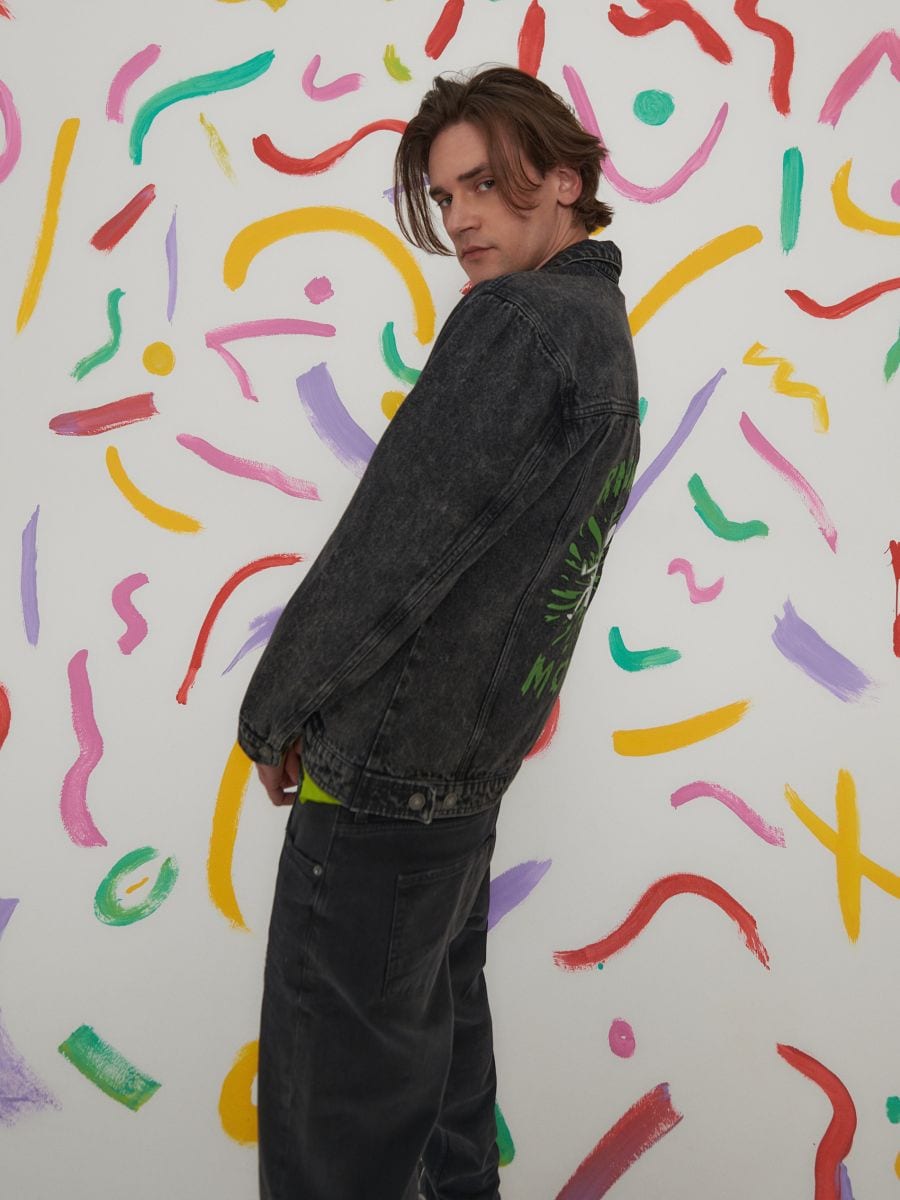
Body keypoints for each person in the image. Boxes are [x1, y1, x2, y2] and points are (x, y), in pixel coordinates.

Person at [237, 65, 640, 1200]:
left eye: (484, 186)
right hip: (458, 790)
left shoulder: (517, 325)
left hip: (380, 788)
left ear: (562, 181)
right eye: (445, 193)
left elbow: (395, 545)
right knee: (442, 1127)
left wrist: (274, 709)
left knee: (337, 1150)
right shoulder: (602, 338)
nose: (460, 216)